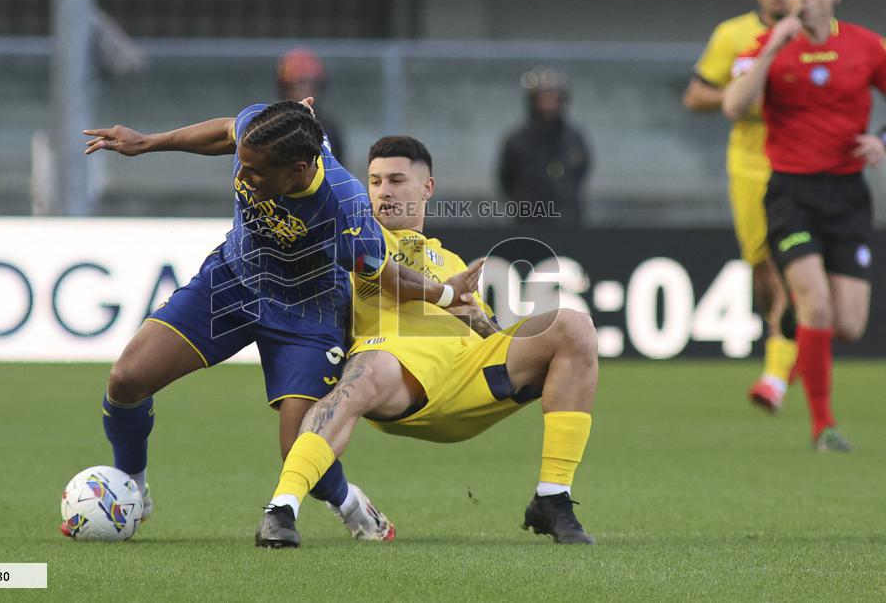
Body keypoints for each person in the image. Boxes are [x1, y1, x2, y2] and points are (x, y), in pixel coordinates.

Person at [80, 100, 483, 540]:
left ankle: (351, 505)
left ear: (296, 170)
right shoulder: (263, 129)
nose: (245, 180)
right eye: (243, 168)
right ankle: (132, 491)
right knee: (126, 380)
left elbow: (387, 278)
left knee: (299, 448)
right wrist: (148, 142)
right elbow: (225, 132)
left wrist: (445, 293)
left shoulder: (345, 211)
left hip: (307, 313)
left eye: (256, 173)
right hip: (234, 281)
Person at [255, 136, 598, 548]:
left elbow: (489, 335)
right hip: (398, 379)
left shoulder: (450, 260)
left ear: (427, 188)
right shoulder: (353, 242)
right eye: (376, 181)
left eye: (397, 179)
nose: (384, 191)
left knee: (574, 325)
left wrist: (477, 319)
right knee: (369, 366)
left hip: (468, 379)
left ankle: (552, 499)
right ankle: (281, 509)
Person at [723, 0, 886, 451]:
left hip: (847, 194)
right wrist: (772, 49)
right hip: (791, 192)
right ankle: (823, 427)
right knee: (815, 304)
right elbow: (732, 106)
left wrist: (882, 139)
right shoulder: (764, 45)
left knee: (850, 324)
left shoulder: (865, 45)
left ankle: (794, 347)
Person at [683, 0, 797, 412]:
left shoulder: (814, 37)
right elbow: (695, 96)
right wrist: (738, 96)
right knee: (763, 270)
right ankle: (785, 342)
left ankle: (775, 373)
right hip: (748, 168)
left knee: (791, 266)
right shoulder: (733, 34)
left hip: (798, 168)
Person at [498, 67, 592, 225]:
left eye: (554, 97)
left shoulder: (575, 138)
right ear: (533, 100)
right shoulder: (517, 140)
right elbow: (506, 179)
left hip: (569, 221)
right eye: (544, 97)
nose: (548, 102)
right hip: (528, 223)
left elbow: (582, 172)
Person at [277, 48, 347, 167]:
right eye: (298, 85)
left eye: (308, 84)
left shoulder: (328, 128)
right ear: (285, 87)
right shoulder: (271, 122)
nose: (304, 90)